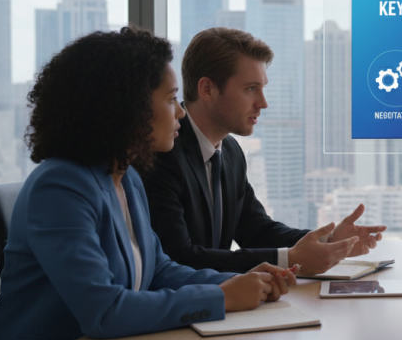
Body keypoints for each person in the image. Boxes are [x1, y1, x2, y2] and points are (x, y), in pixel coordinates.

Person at [0, 28, 302, 340]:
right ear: (127, 106)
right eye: (171, 99)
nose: (179, 112)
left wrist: (242, 281)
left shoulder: (125, 178)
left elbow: (159, 271)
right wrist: (221, 297)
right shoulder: (60, 187)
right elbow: (105, 310)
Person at [140, 27, 385, 275]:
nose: (263, 103)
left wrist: (328, 240)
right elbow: (180, 258)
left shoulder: (231, 152)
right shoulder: (162, 153)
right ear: (207, 89)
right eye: (250, 88)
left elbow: (256, 230)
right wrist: (288, 260)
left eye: (262, 88)